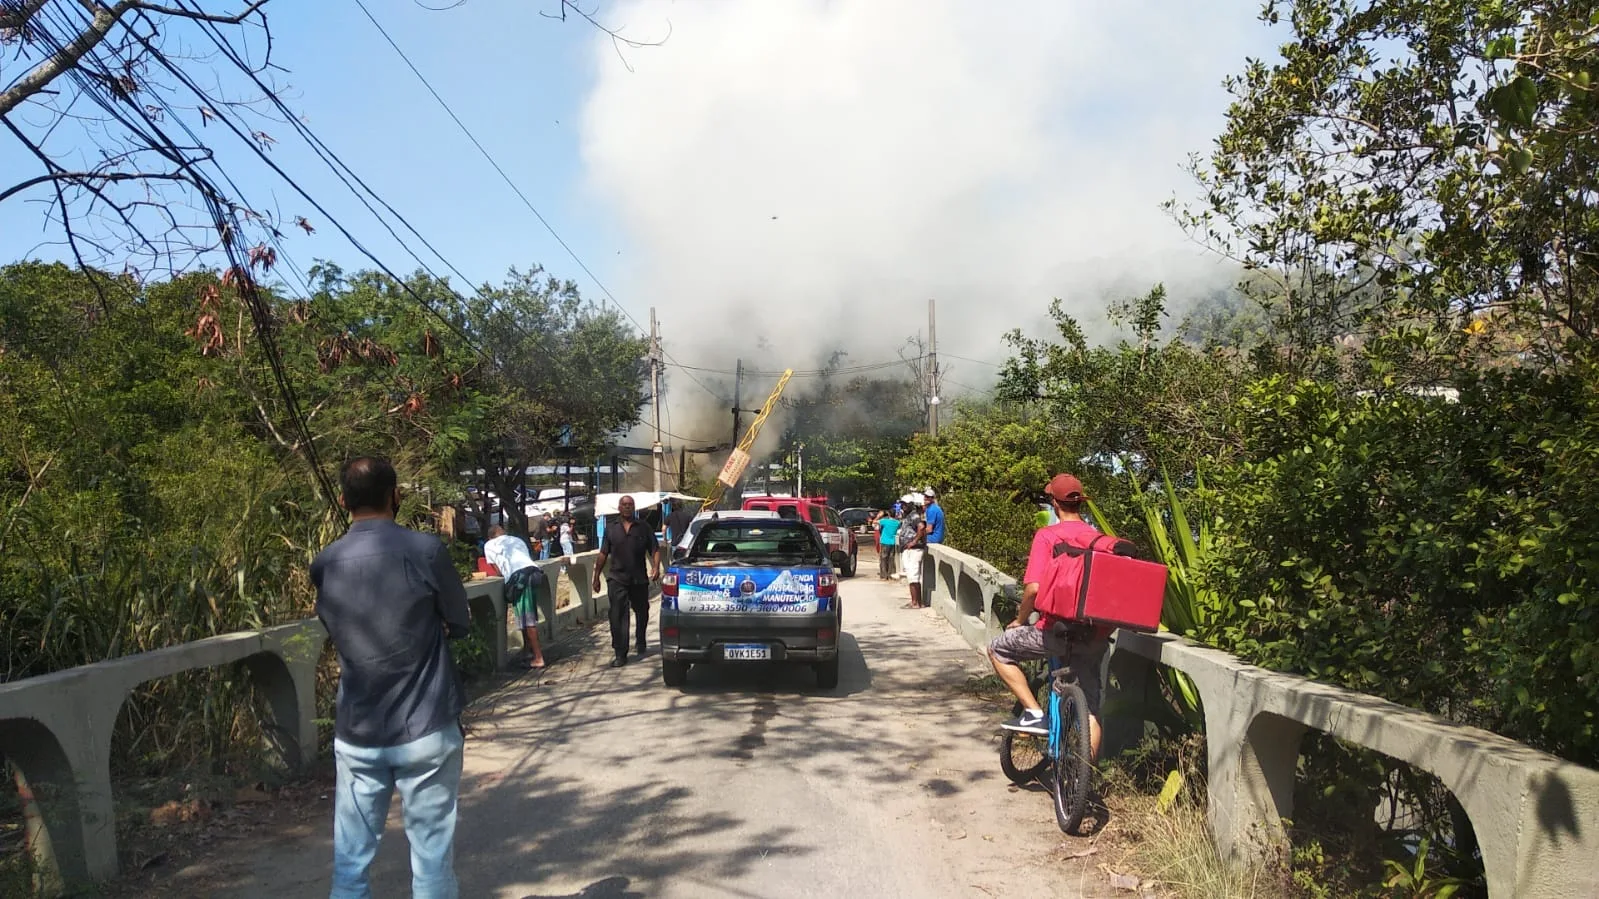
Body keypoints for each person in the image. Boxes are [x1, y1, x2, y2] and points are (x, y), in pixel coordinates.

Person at [312, 457, 471, 899]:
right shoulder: (426, 551)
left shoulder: (324, 563)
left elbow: (336, 627)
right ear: (395, 496)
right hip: (427, 730)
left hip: (358, 733)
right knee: (431, 860)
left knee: (350, 863)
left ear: (343, 501)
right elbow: (459, 621)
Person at [987, 473, 1117, 763]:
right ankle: (1083, 781)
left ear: (1054, 505)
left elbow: (1033, 589)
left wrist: (1020, 620)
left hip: (1053, 633)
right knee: (1092, 710)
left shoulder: (1047, 536)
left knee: (998, 649)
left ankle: (1034, 714)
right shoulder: (1100, 540)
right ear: (1080, 503)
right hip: (1094, 636)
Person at [591, 495, 661, 668]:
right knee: (617, 616)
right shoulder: (611, 529)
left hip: (639, 578)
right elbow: (603, 553)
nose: (628, 507)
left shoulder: (643, 527)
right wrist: (596, 576)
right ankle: (620, 653)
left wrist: (656, 567)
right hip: (617, 578)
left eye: (631, 505)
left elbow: (655, 549)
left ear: (634, 508)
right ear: (619, 508)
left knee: (642, 611)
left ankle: (641, 640)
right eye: (624, 505)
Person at [483, 524, 547, 670]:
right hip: (534, 573)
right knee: (524, 615)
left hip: (520, 578)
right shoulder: (516, 540)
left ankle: (538, 657)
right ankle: (527, 651)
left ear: (490, 536)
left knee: (527, 618)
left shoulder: (489, 545)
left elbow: (497, 570)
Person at [899, 500, 927, 606]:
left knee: (913, 575)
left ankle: (916, 602)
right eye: (902, 504)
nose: (903, 506)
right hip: (908, 549)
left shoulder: (914, 515)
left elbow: (921, 527)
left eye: (905, 504)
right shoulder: (907, 516)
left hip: (914, 549)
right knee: (911, 575)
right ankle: (915, 601)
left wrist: (914, 541)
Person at [876, 510, 901, 580]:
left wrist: (879, 516)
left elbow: (875, 522)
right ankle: (891, 574)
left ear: (889, 514)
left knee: (883, 558)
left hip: (884, 541)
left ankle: (884, 575)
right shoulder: (897, 523)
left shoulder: (885, 521)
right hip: (892, 542)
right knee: (891, 558)